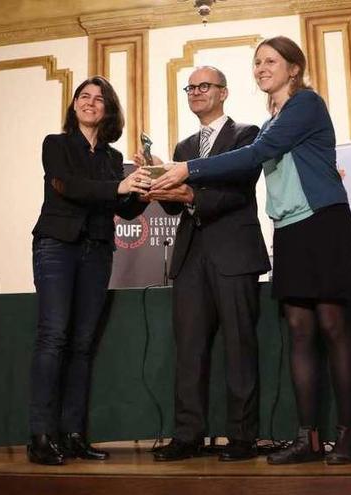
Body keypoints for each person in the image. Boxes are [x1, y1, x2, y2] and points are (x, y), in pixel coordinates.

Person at [152, 36, 351, 465]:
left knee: (332, 326)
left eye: (270, 61)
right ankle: (308, 438)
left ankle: (348, 436)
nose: (261, 68)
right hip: (288, 226)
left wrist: (187, 170)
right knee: (300, 331)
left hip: (322, 220)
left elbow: (259, 155)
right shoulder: (272, 118)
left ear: (293, 68)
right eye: (257, 62)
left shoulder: (306, 104)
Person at [136, 67, 269, 462]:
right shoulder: (184, 146)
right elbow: (172, 204)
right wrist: (157, 179)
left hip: (234, 252)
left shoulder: (247, 134)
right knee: (189, 351)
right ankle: (188, 436)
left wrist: (190, 191)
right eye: (190, 87)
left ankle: (242, 438)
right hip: (190, 255)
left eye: (203, 86)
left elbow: (239, 188)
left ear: (223, 93)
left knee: (239, 347)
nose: (195, 92)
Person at [27, 76, 150, 466]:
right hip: (57, 246)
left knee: (82, 345)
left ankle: (74, 434)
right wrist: (118, 188)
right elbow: (68, 187)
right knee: (53, 338)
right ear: (75, 104)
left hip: (97, 250)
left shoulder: (114, 160)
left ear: (108, 110)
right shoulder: (56, 144)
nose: (90, 102)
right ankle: (42, 435)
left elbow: (125, 210)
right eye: (84, 96)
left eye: (99, 99)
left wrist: (142, 188)